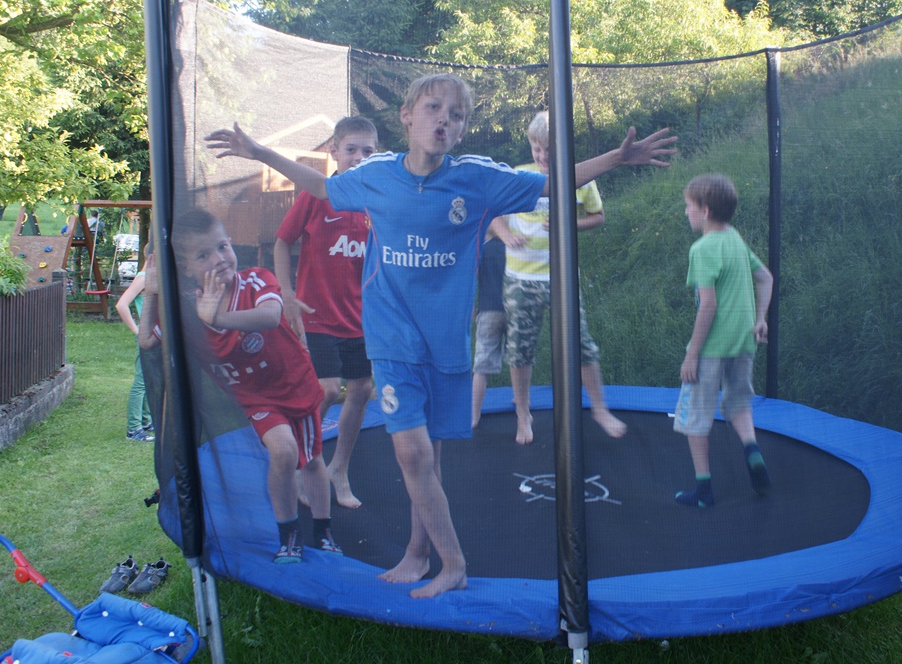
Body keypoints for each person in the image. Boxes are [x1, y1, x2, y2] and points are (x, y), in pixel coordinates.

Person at [205, 73, 677, 598]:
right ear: (407, 115)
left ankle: (418, 551)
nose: (443, 120)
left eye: (456, 115)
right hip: (391, 340)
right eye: (433, 108)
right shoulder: (376, 175)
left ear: (463, 129)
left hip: (447, 345)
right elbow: (320, 186)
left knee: (428, 458)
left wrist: (616, 158)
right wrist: (259, 152)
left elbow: (553, 184)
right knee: (412, 455)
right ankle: (455, 565)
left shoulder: (478, 178)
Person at [166, 208, 341, 563]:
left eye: (223, 247)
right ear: (186, 269)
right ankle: (289, 534)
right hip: (256, 397)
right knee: (284, 451)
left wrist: (218, 317)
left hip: (295, 385)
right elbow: (147, 341)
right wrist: (154, 291)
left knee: (311, 460)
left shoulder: (256, 280)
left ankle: (323, 529)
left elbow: (271, 316)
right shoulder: (187, 312)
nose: (219, 259)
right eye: (203, 255)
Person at [491, 111, 624, 444]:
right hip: (520, 279)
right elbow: (492, 213)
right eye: (537, 149)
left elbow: (598, 216)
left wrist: (570, 224)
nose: (542, 157)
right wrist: (505, 234)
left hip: (562, 278)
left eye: (549, 151)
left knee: (582, 345)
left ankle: (600, 408)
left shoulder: (581, 178)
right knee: (519, 350)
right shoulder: (520, 176)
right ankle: (523, 414)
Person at [273, 116, 377, 509]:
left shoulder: (375, 202)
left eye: (368, 151)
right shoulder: (317, 195)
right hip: (316, 316)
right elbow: (283, 241)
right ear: (334, 150)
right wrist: (286, 293)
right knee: (329, 389)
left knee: (362, 389)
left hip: (359, 318)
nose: (358, 157)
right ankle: (303, 462)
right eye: (351, 149)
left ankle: (339, 469)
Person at [673, 173, 774, 508]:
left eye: (688, 206)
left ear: (705, 211)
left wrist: (692, 354)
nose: (685, 212)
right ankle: (751, 448)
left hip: (711, 348)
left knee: (696, 416)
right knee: (738, 403)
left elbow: (709, 305)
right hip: (744, 340)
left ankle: (704, 490)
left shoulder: (702, 249)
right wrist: (760, 319)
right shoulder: (734, 238)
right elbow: (765, 278)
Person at [115, 248, 156, 442]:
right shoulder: (142, 278)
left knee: (148, 380)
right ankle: (134, 429)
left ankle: (146, 421)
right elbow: (121, 305)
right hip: (145, 336)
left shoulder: (151, 278)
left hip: (154, 337)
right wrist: (137, 331)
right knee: (141, 382)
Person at [470, 226, 506, 428]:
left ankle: (474, 414)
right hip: (515, 309)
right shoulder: (513, 247)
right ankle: (523, 406)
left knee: (481, 367)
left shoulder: (480, 249)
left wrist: (472, 308)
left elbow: (471, 279)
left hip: (488, 311)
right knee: (520, 362)